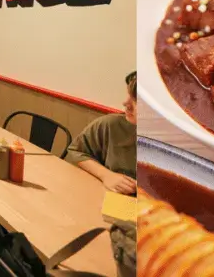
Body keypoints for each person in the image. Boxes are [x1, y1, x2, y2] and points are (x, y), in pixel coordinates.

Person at [65, 72, 137, 277]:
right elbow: (75, 151)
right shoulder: (111, 125)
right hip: (100, 219)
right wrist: (106, 175)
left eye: (135, 100)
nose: (126, 103)